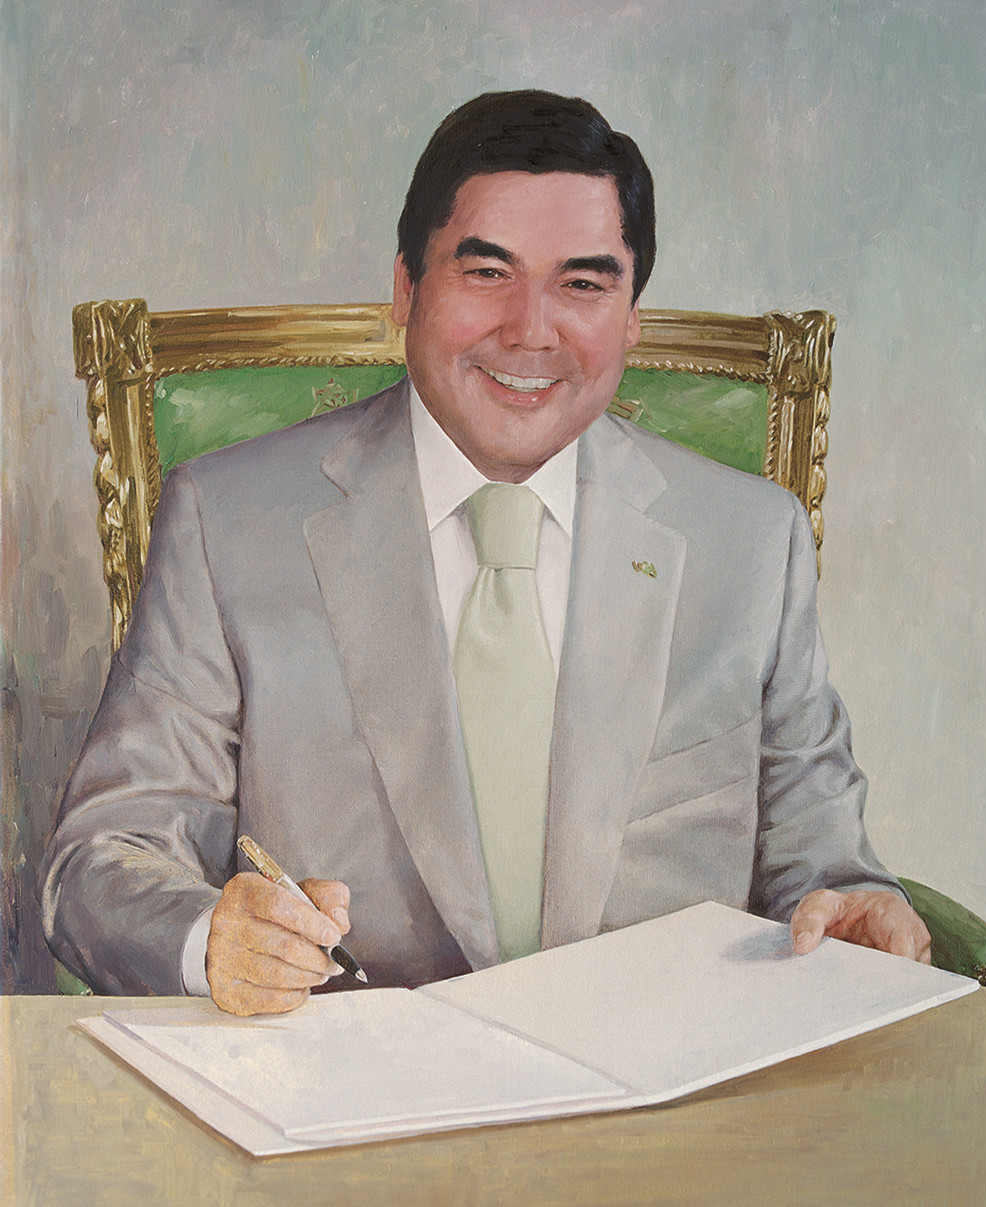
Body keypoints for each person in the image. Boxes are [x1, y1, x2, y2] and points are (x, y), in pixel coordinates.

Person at [39, 90, 929, 1015]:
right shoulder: (226, 521)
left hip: (666, 1082)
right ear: (405, 288)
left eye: (583, 285)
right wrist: (211, 939)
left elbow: (826, 870)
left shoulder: (752, 541)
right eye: (488, 272)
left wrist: (858, 914)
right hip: (349, 1083)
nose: (531, 330)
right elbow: (99, 861)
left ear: (632, 314)